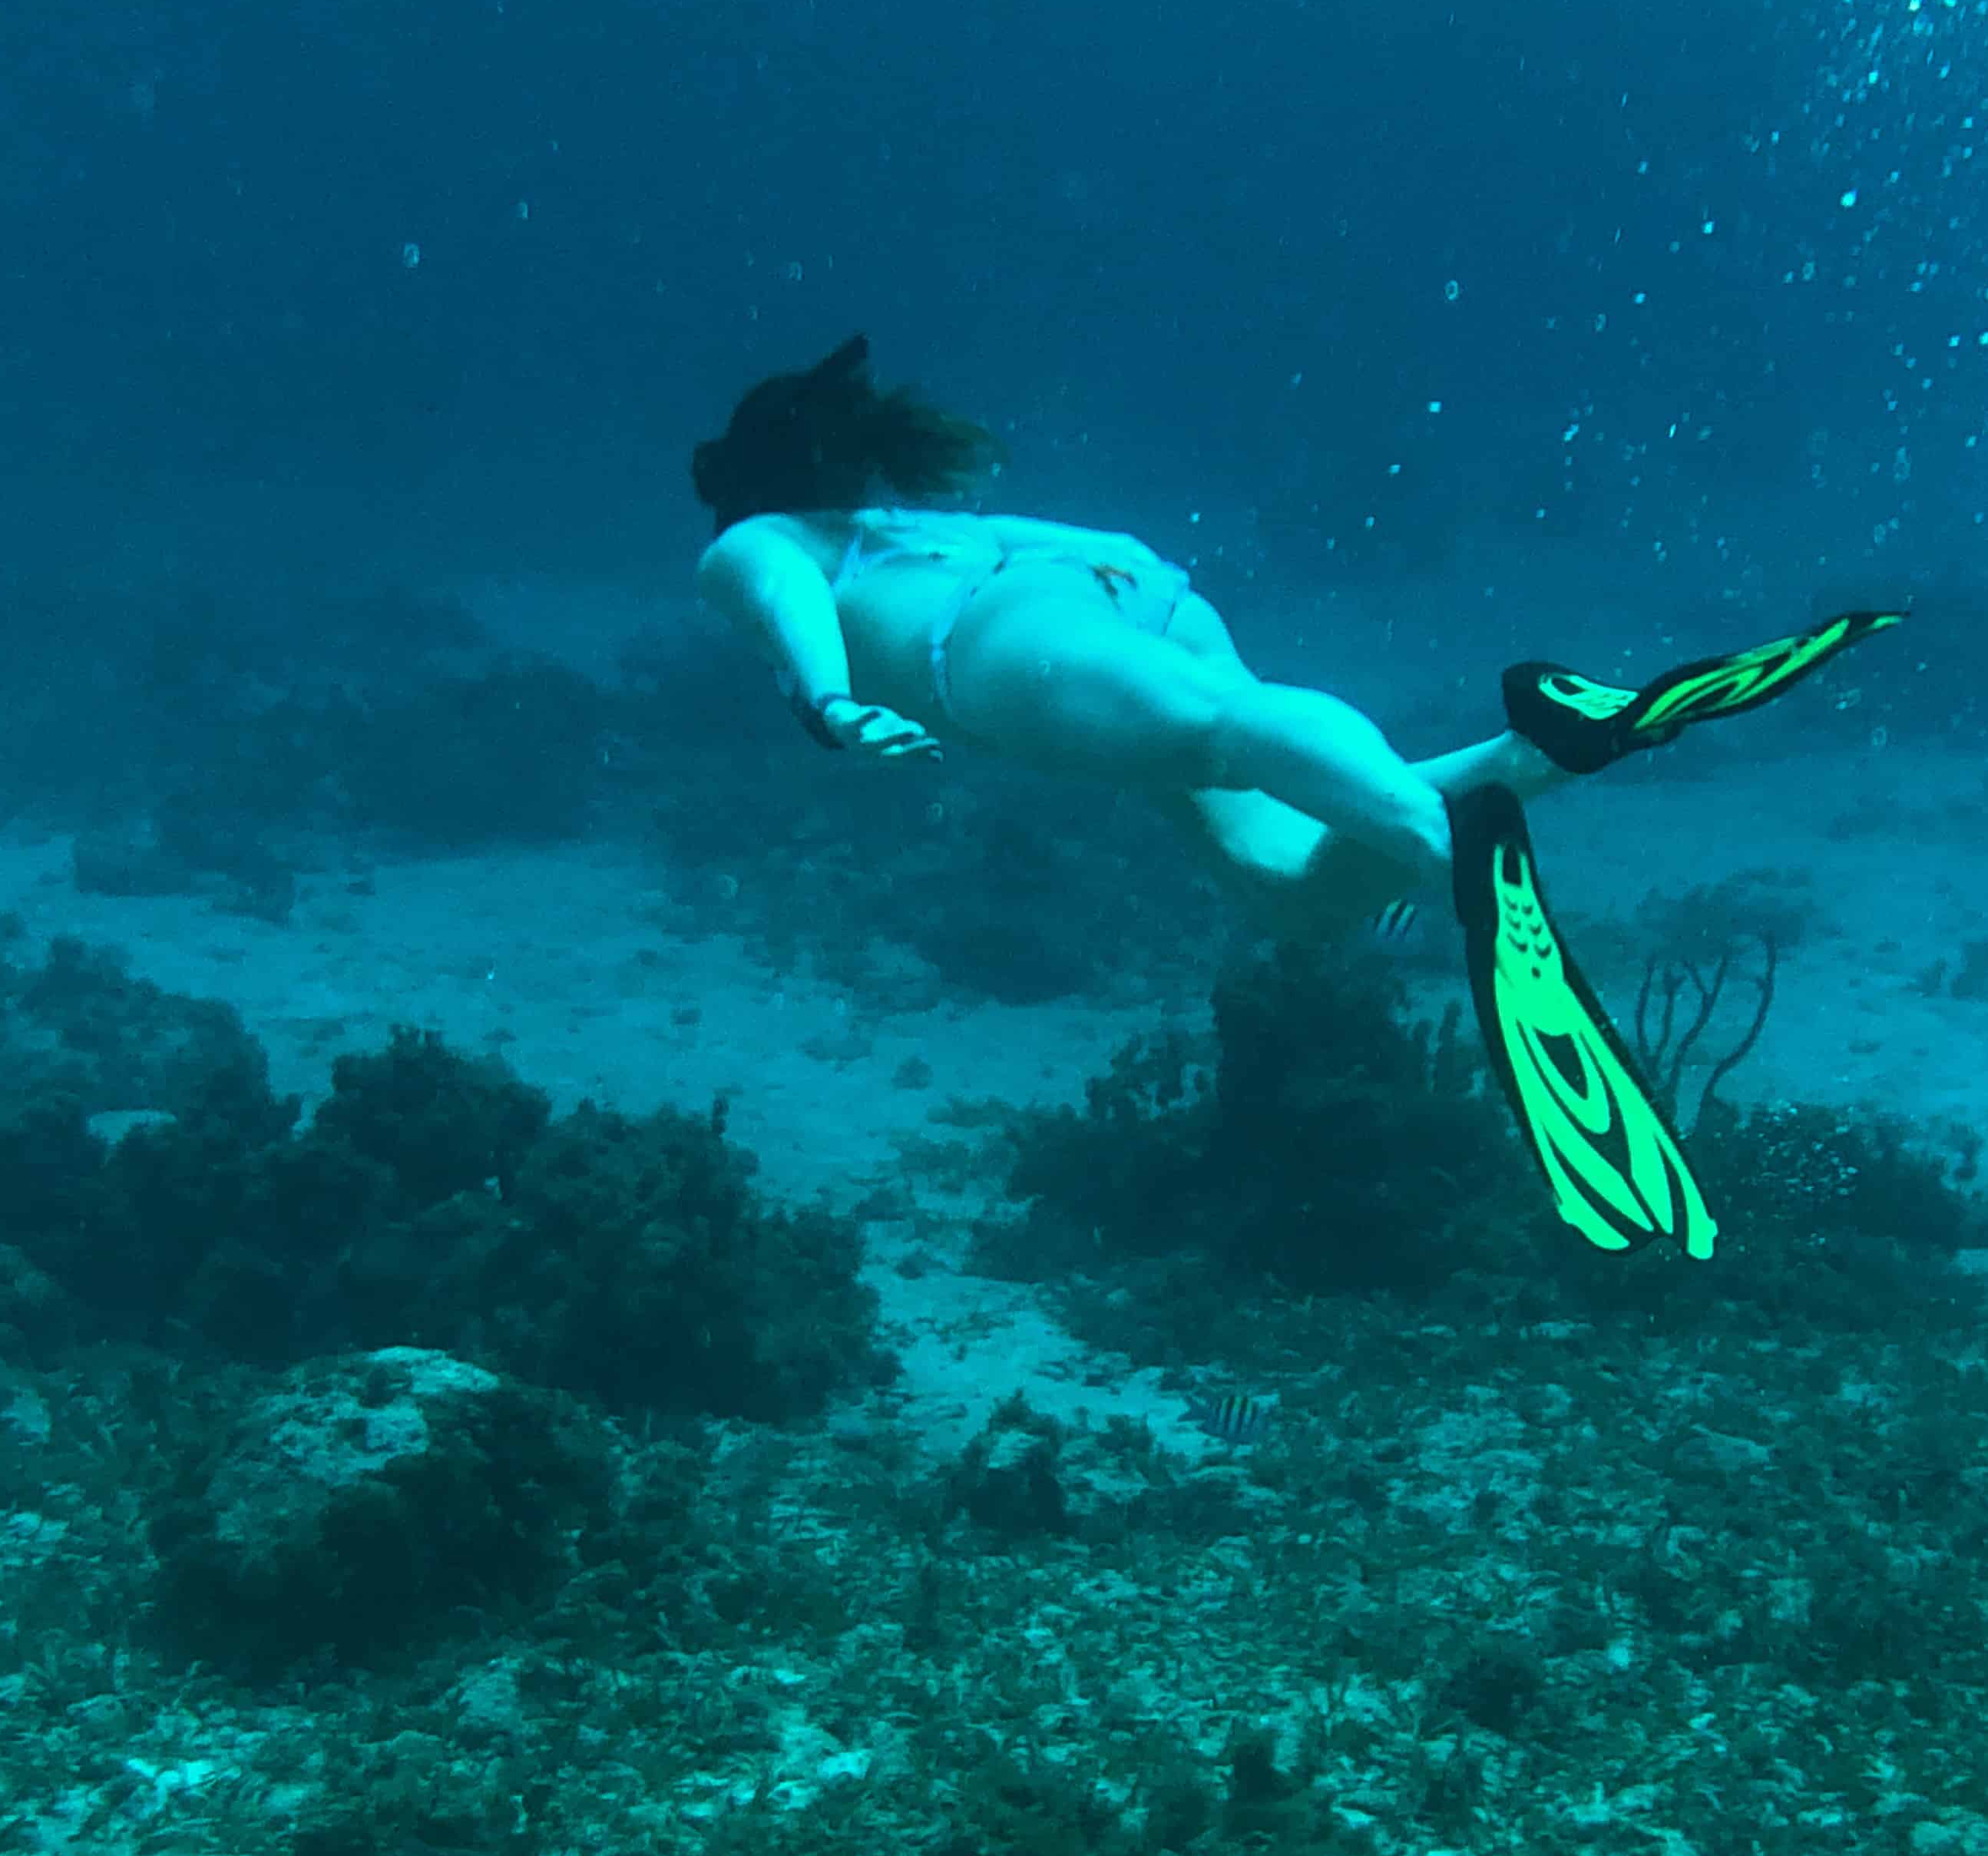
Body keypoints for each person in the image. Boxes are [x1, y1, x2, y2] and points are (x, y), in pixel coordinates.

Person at [694, 335, 1902, 1259]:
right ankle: (1530, 756)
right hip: (1115, 589)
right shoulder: (898, 519)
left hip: (993, 646)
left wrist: (828, 702)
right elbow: (1095, 534)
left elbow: (781, 600)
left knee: (1235, 733)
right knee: (1282, 879)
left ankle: (1446, 863)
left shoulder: (757, 537)